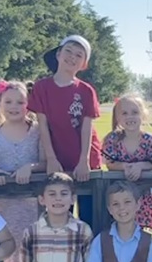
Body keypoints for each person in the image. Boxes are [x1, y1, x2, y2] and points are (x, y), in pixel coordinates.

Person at [28, 35, 101, 225]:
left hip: (84, 160)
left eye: (79, 55)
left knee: (89, 215)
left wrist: (84, 161)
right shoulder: (42, 87)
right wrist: (51, 159)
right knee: (59, 215)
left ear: (84, 63)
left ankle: (90, 254)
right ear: (58, 54)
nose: (72, 57)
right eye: (68, 51)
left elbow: (87, 127)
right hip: (58, 159)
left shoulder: (86, 90)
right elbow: (42, 125)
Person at [0, 79, 45, 262]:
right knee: (8, 246)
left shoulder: (37, 131)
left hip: (30, 203)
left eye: (20, 102)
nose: (14, 107)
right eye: (8, 102)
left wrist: (30, 167)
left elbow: (45, 162)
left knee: (28, 248)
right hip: (3, 203)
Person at [100, 94, 152, 232]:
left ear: (143, 114)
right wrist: (124, 167)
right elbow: (109, 163)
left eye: (135, 112)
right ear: (118, 118)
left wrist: (140, 166)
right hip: (119, 195)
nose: (130, 117)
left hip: (142, 195)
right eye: (124, 113)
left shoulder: (151, 141)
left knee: (141, 233)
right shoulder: (112, 140)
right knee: (119, 230)